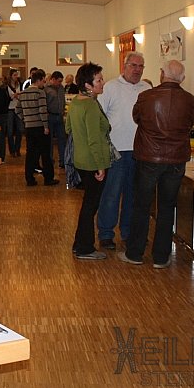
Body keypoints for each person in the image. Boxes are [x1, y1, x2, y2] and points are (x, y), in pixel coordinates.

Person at [119, 60, 194, 269]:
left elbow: (137, 118)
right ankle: (161, 257)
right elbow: (190, 124)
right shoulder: (190, 100)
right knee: (167, 207)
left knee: (141, 206)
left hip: (148, 157)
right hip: (176, 159)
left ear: (162, 74)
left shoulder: (146, 97)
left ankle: (135, 253)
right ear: (182, 78)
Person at [96, 52, 151, 251]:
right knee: (111, 194)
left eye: (140, 66)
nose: (137, 70)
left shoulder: (147, 89)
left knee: (133, 195)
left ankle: (128, 232)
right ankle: (106, 233)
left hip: (139, 151)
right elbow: (99, 118)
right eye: (133, 65)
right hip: (116, 151)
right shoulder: (110, 87)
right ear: (124, 66)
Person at [66, 62, 110, 260]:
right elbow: (94, 139)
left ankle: (80, 244)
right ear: (88, 85)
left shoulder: (76, 102)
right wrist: (100, 166)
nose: (103, 83)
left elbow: (68, 128)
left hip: (81, 159)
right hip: (93, 162)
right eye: (98, 80)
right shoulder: (90, 105)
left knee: (87, 205)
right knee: (90, 206)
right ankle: (85, 248)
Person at [16, 70, 56, 186]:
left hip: (29, 127)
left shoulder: (23, 93)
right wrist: (46, 126)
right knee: (45, 154)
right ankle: (48, 178)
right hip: (40, 127)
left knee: (30, 154)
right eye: (43, 80)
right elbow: (42, 110)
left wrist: (25, 119)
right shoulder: (40, 93)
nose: (44, 83)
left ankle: (29, 179)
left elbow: (17, 110)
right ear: (38, 80)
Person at [45, 71, 67, 169]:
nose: (60, 83)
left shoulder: (61, 88)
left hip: (59, 116)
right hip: (50, 116)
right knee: (49, 140)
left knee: (62, 139)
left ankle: (63, 160)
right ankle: (49, 160)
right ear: (53, 79)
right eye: (59, 81)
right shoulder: (46, 89)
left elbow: (63, 100)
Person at [6, 69, 24, 157]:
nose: (16, 77)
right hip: (10, 108)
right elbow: (6, 97)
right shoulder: (7, 86)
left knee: (20, 130)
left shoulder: (19, 84)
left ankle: (17, 149)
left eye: (17, 75)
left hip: (17, 108)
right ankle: (12, 150)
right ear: (11, 76)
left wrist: (18, 96)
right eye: (14, 75)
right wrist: (13, 96)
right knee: (10, 131)